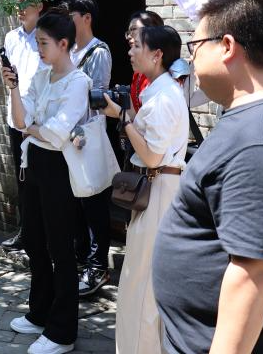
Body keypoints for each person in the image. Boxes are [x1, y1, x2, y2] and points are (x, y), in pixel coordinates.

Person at [153, 0, 263, 354]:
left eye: (194, 46)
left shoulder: (261, 139)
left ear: (227, 46)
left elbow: (253, 274)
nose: (191, 59)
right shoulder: (262, 123)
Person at [4, 8, 90, 354]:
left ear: (63, 44)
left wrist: (34, 128)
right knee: (34, 241)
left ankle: (62, 332)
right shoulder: (41, 76)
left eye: (43, 43)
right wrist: (13, 89)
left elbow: (57, 132)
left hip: (60, 168)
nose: (38, 49)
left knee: (60, 249)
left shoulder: (78, 82)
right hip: (34, 162)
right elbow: (20, 120)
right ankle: (39, 312)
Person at [101, 25, 188, 354]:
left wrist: (122, 118)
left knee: (141, 284)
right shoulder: (160, 92)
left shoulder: (164, 97)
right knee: (143, 279)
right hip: (158, 187)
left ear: (157, 54)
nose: (130, 51)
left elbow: (151, 155)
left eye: (136, 46)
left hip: (159, 186)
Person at [63, 0, 114, 298]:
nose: (67, 21)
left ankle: (98, 266)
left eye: (71, 15)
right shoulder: (67, 50)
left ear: (86, 18)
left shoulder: (99, 52)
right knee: (75, 204)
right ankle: (81, 259)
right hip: (66, 137)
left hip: (87, 136)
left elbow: (96, 98)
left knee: (94, 203)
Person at [0, 0, 47, 251]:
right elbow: (7, 75)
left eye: (25, 4)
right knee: (21, 179)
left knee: (41, 180)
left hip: (39, 123)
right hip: (15, 118)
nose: (19, 9)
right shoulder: (11, 37)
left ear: (39, 6)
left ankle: (44, 236)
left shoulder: (47, 36)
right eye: (16, 4)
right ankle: (26, 232)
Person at [125, 11, 165, 115]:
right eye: (128, 32)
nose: (129, 36)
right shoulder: (138, 70)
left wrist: (120, 113)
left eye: (133, 29)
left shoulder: (165, 73)